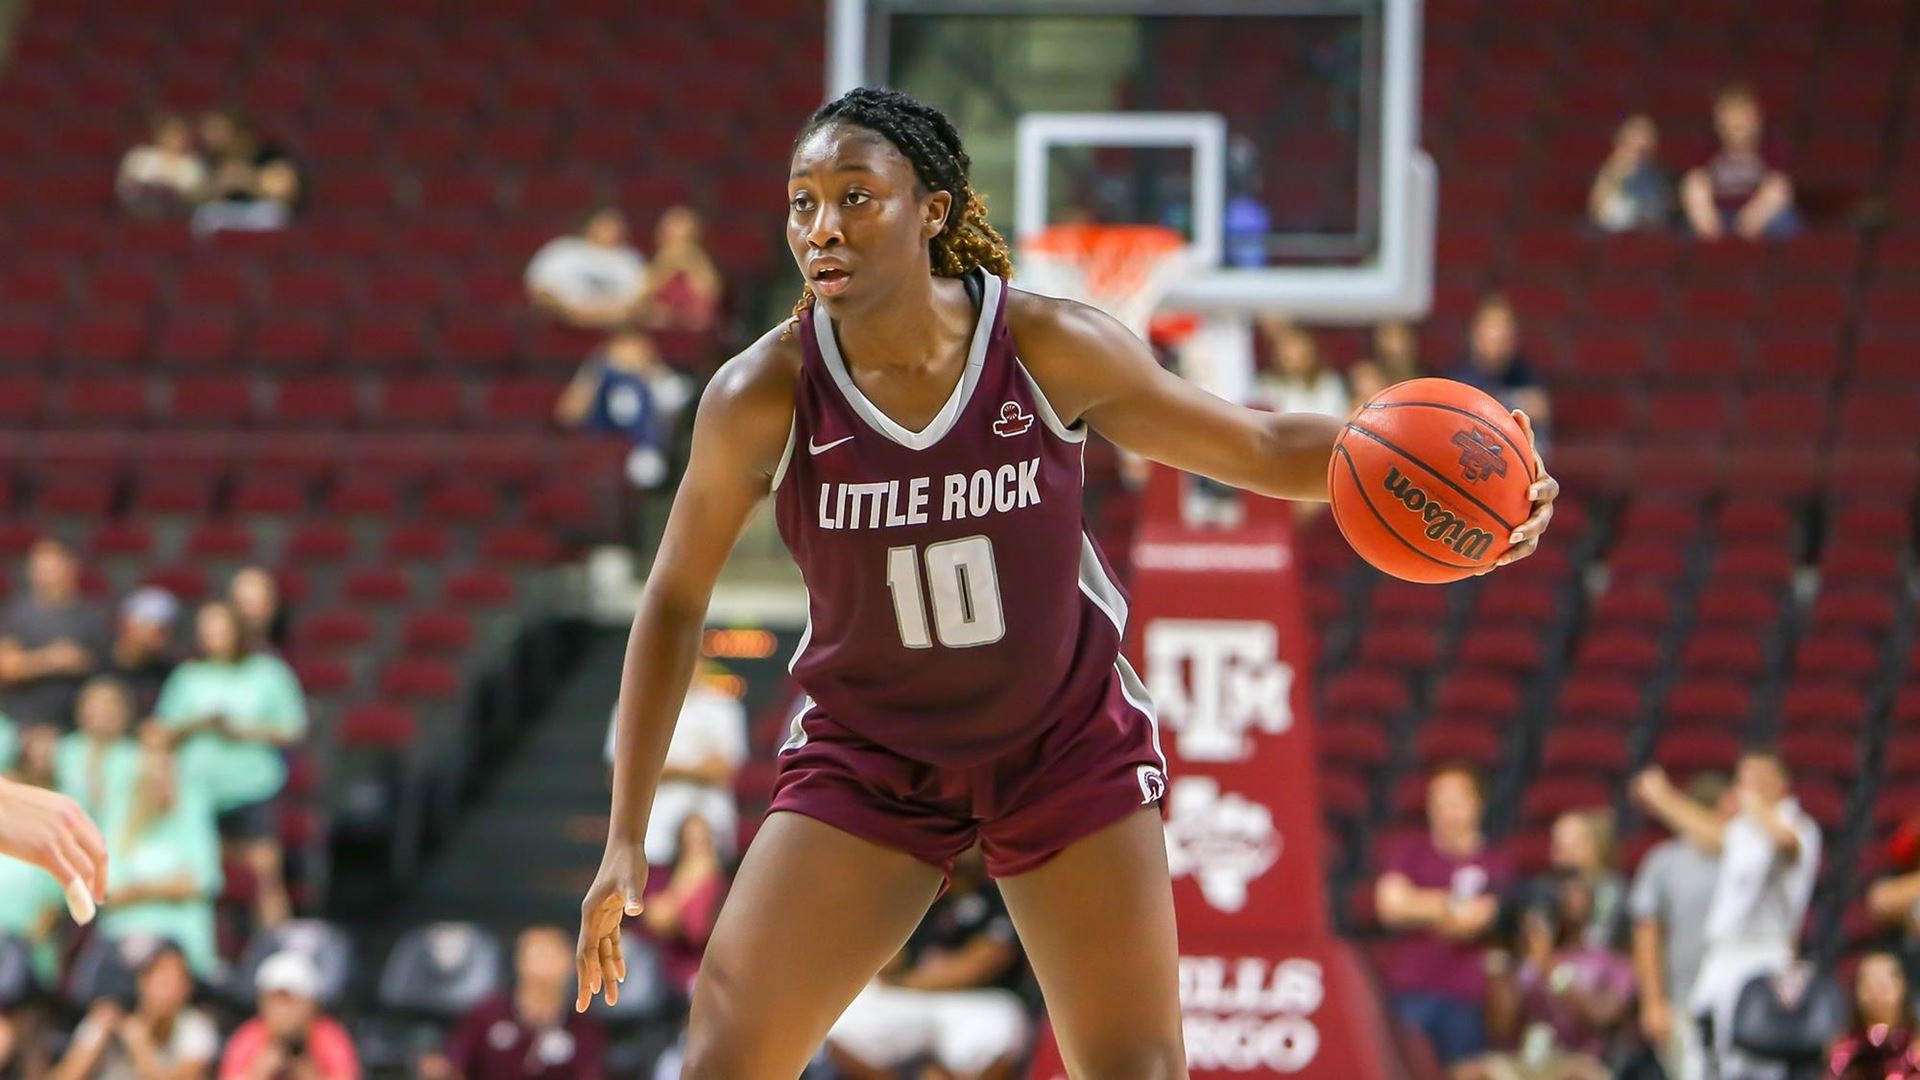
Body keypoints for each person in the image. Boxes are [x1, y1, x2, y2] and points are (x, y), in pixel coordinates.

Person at [573, 86, 1559, 1078]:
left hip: (1060, 745)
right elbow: (673, 601)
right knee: (727, 1058)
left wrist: (1448, 486)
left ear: (934, 211)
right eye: (803, 202)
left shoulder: (1046, 346)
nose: (823, 227)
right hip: (871, 755)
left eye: (856, 197)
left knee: (1135, 1067)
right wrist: (627, 834)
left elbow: (1257, 443)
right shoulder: (762, 393)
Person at [1634, 751, 1821, 1079]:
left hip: (1763, 956)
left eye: (1759, 779)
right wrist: (1663, 799)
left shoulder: (1798, 826)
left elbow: (1786, 844)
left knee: (1756, 1060)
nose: (1748, 787)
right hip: (1723, 956)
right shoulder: (1745, 833)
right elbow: (1708, 833)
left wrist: (1754, 805)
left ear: (1781, 785)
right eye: (1744, 779)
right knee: (1700, 1056)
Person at [154, 602, 306, 929]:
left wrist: (241, 730)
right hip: (198, 793)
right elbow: (161, 731)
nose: (213, 636)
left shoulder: (268, 672)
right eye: (206, 629)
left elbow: (292, 729)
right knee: (202, 876)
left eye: (220, 628)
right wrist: (197, 724)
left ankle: (276, 948)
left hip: (252, 787)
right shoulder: (188, 676)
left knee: (265, 875)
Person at [826, 845, 1030, 1080]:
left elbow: (978, 966)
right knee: (844, 1017)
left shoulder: (1000, 896)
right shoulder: (921, 894)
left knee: (1005, 1022)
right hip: (912, 998)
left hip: (972, 1000)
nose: (964, 848)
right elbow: (884, 962)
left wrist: (906, 981)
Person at [1374, 764, 1517, 1068]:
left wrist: (1419, 904)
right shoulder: (1409, 851)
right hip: (1410, 990)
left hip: (1466, 996)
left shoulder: (1496, 863)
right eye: (1437, 803)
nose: (1445, 811)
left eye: (1454, 801)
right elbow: (1390, 906)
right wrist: (1453, 904)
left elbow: (1474, 923)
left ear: (1477, 804)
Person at [1468, 874, 1635, 1080]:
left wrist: (1550, 969)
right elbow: (1500, 1028)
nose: (1568, 901)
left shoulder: (1611, 961)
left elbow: (1602, 1015)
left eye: (1579, 893)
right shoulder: (1523, 958)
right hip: (1524, 1061)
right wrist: (1504, 956)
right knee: (1474, 1074)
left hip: (1577, 1060)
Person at [97, 724, 223, 979]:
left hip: (182, 939)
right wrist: (167, 888)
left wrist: (138, 889)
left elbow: (204, 882)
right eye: (155, 772)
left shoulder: (192, 811)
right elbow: (106, 893)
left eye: (168, 769)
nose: (163, 781)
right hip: (123, 940)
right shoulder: (118, 816)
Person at [1629, 771, 1733, 1080]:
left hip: (1735, 997)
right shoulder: (1664, 862)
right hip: (1683, 999)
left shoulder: (1745, 858)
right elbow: (1647, 934)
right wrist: (1653, 1002)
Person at [602, 665, 745, 868]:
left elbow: (724, 771)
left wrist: (657, 769)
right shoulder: (631, 705)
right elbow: (619, 777)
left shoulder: (723, 706)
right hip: (651, 829)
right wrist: (697, 769)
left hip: (708, 824)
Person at [420, 927, 606, 1080]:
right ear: (519, 961)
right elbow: (455, 1066)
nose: (543, 963)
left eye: (552, 954)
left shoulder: (584, 1029)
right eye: (536, 954)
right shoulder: (486, 1015)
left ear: (571, 964)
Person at [54, 937, 220, 1080]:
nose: (168, 992)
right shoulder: (108, 1018)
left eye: (175, 983)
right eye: (162, 982)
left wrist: (137, 1041)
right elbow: (66, 1075)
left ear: (187, 989)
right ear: (143, 982)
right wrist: (94, 1040)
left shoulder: (196, 1027)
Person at [0, 538, 112, 733]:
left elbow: (104, 667)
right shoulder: (15, 614)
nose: (45, 575)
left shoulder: (91, 617)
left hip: (74, 731)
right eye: (40, 567)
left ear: (71, 567)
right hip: (21, 725)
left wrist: (82, 661)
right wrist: (51, 660)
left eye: (52, 567)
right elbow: (6, 667)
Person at [555, 332, 692, 491]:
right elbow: (568, 414)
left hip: (641, 416)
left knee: (661, 393)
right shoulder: (602, 369)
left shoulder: (658, 386)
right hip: (605, 414)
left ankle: (647, 450)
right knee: (634, 394)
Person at [1681, 83, 1798, 241]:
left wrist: (1756, 215)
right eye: (1729, 117)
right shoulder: (1706, 148)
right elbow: (1695, 184)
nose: (1735, 124)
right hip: (1718, 214)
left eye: (1741, 118)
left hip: (1758, 213)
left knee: (1785, 222)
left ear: (1755, 120)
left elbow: (1778, 188)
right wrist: (1704, 217)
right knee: (1685, 230)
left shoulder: (1771, 149)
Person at [219, 951, 360, 1080]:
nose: (283, 1012)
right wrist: (258, 1073)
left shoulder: (329, 1036)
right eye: (275, 1001)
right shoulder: (249, 1036)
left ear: (313, 1005)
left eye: (290, 1002)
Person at [637, 815, 728, 997]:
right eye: (690, 841)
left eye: (702, 842)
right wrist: (690, 883)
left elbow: (697, 930)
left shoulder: (721, 884)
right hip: (660, 958)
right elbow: (657, 920)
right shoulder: (662, 876)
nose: (696, 849)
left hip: (701, 964)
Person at [525, 209, 648, 330]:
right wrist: (571, 314)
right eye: (605, 225)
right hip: (561, 325)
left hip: (615, 329)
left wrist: (604, 317)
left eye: (616, 226)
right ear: (590, 225)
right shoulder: (561, 249)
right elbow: (539, 291)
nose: (611, 230)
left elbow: (642, 298)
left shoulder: (631, 258)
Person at [1451, 293, 1551, 432]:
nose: (1499, 336)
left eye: (1504, 329)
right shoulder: (1460, 378)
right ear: (1476, 334)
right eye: (1492, 328)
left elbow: (1540, 408)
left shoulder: (1523, 371)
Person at [56, 676, 141, 825]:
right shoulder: (63, 750)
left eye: (111, 704)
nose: (103, 711)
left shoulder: (136, 756)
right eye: (95, 703)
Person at [1828, 952, 1920, 1079]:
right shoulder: (1844, 1053)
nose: (1876, 992)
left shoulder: (1915, 1049)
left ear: (1901, 987)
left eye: (1884, 984)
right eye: (1869, 983)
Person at [637, 206, 723, 342]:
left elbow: (709, 296)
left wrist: (690, 265)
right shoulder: (656, 262)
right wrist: (665, 266)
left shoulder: (701, 261)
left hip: (692, 322)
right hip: (660, 321)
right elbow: (644, 295)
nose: (678, 236)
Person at [1548, 808, 1626, 949]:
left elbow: (1597, 942)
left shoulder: (1610, 890)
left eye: (1574, 842)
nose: (1561, 849)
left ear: (1597, 846)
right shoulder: (1549, 888)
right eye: (1557, 841)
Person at [1589, 114, 1672, 234]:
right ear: (1622, 145)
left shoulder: (1659, 178)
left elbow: (1662, 216)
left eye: (1645, 151)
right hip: (1615, 239)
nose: (1639, 157)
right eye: (1635, 149)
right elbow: (1598, 215)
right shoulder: (1608, 175)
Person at [1253, 322, 1350, 419]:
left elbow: (1335, 417)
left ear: (1309, 351)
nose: (1292, 356)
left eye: (1297, 349)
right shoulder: (1266, 384)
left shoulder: (1328, 382)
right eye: (1285, 350)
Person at [117, 114, 207, 218]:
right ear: (160, 135)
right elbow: (126, 186)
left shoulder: (193, 164)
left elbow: (197, 194)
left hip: (178, 212)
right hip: (142, 208)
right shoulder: (140, 155)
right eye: (170, 134)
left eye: (179, 135)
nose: (174, 139)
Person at [110, 588, 181, 719]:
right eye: (148, 624)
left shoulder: (170, 675)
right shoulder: (101, 669)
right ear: (125, 624)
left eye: (163, 628)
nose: (157, 635)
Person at [1349, 320, 1421, 403]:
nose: (1395, 347)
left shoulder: (1426, 380)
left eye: (1399, 338)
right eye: (1389, 338)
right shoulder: (1366, 374)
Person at [227, 569, 287, 654]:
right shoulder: (215, 660)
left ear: (271, 606)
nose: (248, 612)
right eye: (243, 604)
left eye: (254, 603)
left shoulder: (289, 655)